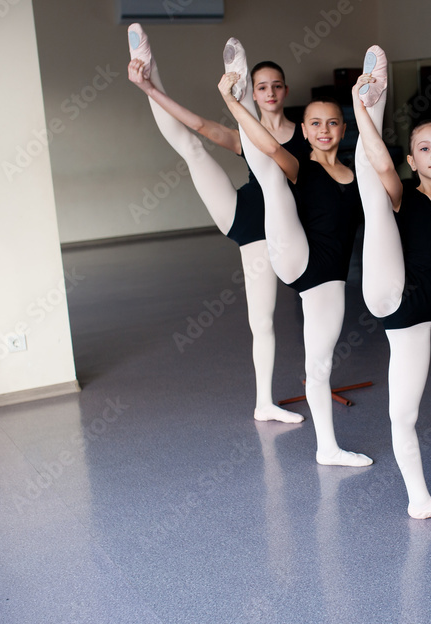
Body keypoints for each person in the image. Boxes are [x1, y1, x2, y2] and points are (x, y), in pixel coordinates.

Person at [126, 24, 306, 425]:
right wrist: (150, 89)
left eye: (276, 85)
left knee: (266, 319)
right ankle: (149, 69)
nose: (271, 92)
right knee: (192, 148)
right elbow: (202, 127)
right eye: (262, 87)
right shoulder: (250, 133)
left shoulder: (306, 137)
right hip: (245, 219)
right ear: (255, 94)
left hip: (282, 230)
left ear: (285, 91)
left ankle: (269, 401)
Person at [217, 39, 371, 468]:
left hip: (329, 279)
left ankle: (328, 448)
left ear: (343, 129)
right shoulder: (300, 164)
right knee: (271, 174)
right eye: (316, 123)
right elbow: (267, 148)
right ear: (304, 131)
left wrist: (366, 99)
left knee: (318, 367)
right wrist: (233, 101)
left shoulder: (356, 175)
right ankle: (239, 86)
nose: (324, 130)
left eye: (333, 123)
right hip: (293, 256)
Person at [351, 46, 431, 519]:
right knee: (375, 193)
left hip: (415, 324)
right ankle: (370, 98)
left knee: (405, 415)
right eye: (424, 149)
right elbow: (383, 168)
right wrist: (359, 109)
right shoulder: (407, 194)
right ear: (413, 161)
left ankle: (420, 501)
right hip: (388, 293)